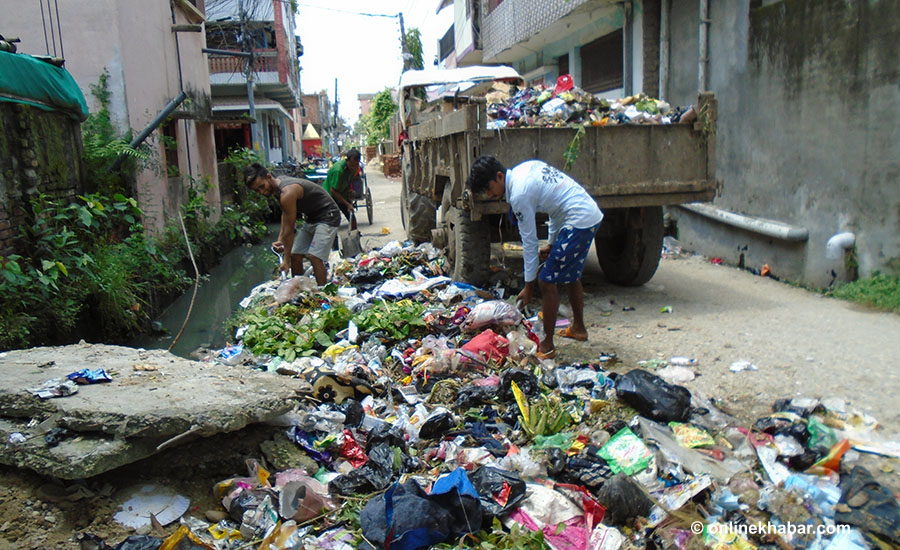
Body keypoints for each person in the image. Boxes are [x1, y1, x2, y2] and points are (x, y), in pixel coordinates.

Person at [465, 156, 604, 359]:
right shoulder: (525, 169)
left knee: (546, 281)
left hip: (578, 220)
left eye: (488, 188)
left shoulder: (519, 194)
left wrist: (529, 286)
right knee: (570, 275)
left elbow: (529, 243)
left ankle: (547, 345)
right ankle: (579, 329)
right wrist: (552, 242)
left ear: (499, 176)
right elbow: (555, 209)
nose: (489, 194)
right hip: (586, 215)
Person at [244, 162, 341, 285]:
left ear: (268, 177)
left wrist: (285, 261)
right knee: (296, 255)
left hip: (328, 216)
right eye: (257, 190)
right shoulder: (276, 188)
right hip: (312, 217)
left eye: (262, 187)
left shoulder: (287, 193)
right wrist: (280, 241)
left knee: (314, 257)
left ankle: (323, 295)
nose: (261, 192)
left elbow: (290, 229)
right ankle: (298, 290)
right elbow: (285, 216)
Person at [322, 148, 361, 230]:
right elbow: (333, 191)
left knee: (351, 216)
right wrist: (347, 204)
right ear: (347, 161)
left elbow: (348, 180)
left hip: (341, 193)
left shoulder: (355, 168)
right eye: (352, 165)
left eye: (356, 165)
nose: (353, 168)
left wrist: (349, 191)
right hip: (330, 195)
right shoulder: (338, 170)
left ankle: (355, 236)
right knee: (332, 221)